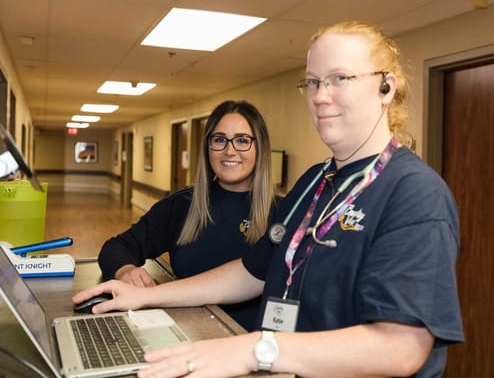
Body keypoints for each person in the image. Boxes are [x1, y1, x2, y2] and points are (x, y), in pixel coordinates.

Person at [74, 21, 463, 378]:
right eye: (312, 82)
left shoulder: (414, 193)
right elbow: (251, 271)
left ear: (386, 87)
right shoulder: (315, 181)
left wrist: (252, 349)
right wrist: (145, 296)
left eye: (339, 78)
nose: (320, 96)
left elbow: (401, 347)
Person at [97, 99, 279, 331]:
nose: (229, 150)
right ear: (207, 147)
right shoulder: (182, 205)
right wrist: (126, 271)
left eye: (242, 140)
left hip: (249, 345)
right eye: (219, 139)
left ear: (260, 147)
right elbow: (116, 247)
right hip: (184, 334)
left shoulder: (283, 214)